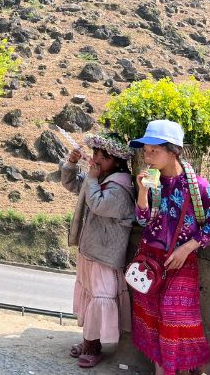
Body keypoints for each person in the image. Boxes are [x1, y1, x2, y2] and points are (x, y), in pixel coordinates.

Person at [130, 120, 210, 375]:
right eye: (145, 151)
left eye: (154, 151)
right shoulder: (152, 183)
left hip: (182, 263)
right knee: (153, 318)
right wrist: (142, 192)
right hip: (150, 262)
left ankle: (189, 368)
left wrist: (186, 249)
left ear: (173, 152)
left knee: (175, 318)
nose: (147, 157)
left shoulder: (198, 187)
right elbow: (143, 220)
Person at [61, 133, 135, 369]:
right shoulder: (101, 178)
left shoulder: (121, 187)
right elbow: (72, 184)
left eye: (103, 156)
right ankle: (88, 340)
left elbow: (99, 205)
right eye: (95, 153)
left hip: (105, 255)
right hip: (91, 250)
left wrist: (92, 179)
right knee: (91, 296)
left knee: (101, 297)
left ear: (117, 161)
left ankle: (93, 346)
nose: (96, 159)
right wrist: (71, 163)